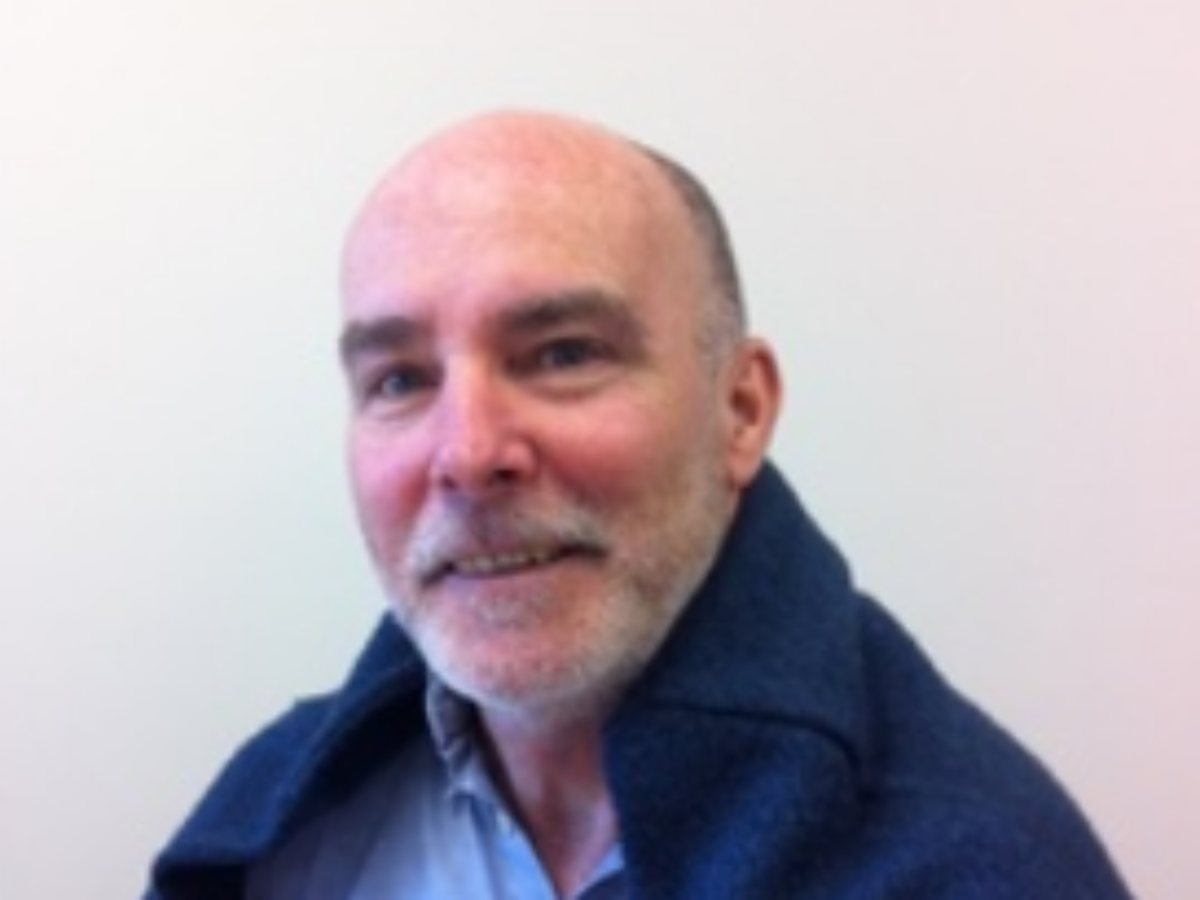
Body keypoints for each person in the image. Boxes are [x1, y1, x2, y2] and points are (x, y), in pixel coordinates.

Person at [145, 110, 1131, 899]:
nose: (470, 454)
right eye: (400, 380)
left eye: (563, 353)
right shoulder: (280, 834)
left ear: (740, 411)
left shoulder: (980, 861)